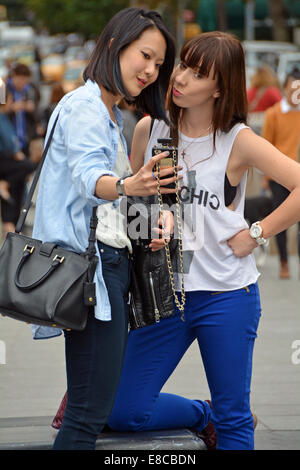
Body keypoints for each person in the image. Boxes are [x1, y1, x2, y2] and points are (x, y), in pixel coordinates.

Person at [106, 32, 300, 450]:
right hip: (165, 296)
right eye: (182, 66)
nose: (180, 79)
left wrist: (256, 234)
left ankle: (221, 417)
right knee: (123, 410)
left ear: (219, 87)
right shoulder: (150, 128)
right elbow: (134, 203)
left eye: (197, 74)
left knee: (235, 419)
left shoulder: (238, 140)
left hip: (226, 294)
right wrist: (149, 229)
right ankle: (202, 413)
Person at [31, 7, 176, 450]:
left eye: (158, 64)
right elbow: (89, 178)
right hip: (93, 273)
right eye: (145, 56)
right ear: (115, 45)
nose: (150, 71)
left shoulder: (103, 111)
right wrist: (128, 183)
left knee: (88, 408)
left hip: (98, 266)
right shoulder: (88, 108)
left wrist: (148, 213)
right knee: (87, 415)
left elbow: (101, 200)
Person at [261, 68, 300, 279]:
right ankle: (284, 262)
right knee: (281, 219)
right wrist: (266, 178)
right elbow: (266, 145)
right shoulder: (274, 113)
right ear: (285, 88)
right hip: (279, 175)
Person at [0, 112, 35, 237]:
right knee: (27, 165)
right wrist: (16, 153)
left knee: (15, 184)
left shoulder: (10, 116)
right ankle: (9, 223)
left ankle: (9, 223)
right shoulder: (3, 117)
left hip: (9, 163)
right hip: (5, 160)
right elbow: (10, 141)